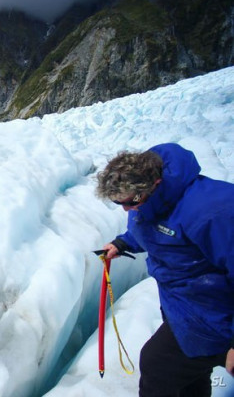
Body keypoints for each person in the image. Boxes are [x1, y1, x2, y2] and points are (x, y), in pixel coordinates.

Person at [95, 143, 234, 396]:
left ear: (155, 183)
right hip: (180, 304)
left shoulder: (212, 211)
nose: (126, 209)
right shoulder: (144, 203)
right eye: (119, 204)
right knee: (189, 375)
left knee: (156, 365)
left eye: (130, 201)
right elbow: (149, 229)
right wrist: (123, 243)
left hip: (212, 314)